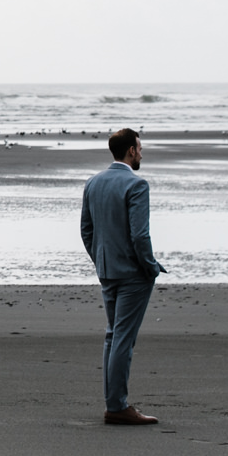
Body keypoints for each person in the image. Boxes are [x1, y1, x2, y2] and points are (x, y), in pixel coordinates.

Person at [81, 128, 165, 426]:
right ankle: (117, 405)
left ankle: (114, 402)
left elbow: (87, 231)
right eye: (140, 148)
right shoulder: (137, 185)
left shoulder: (93, 183)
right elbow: (140, 235)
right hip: (132, 273)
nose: (142, 153)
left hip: (107, 270)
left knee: (112, 335)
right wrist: (150, 266)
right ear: (130, 150)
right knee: (123, 339)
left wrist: (101, 260)